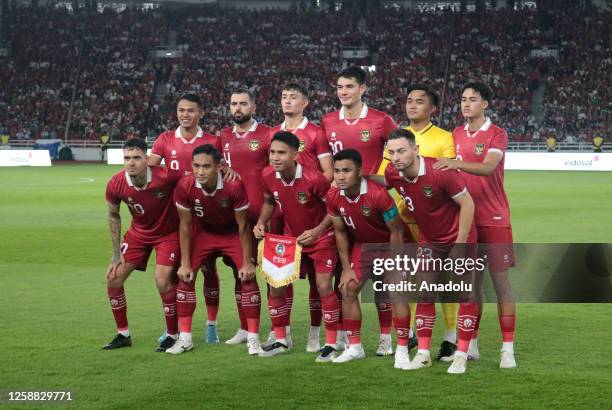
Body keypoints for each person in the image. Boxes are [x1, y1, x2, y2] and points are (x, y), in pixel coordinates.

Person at [434, 81, 517, 370]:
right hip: (466, 222)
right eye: (463, 98)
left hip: (494, 219)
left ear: (485, 104)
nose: (466, 104)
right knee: (471, 288)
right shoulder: (455, 134)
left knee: (501, 285)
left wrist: (454, 164)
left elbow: (487, 167)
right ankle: (472, 346)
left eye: (472, 99)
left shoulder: (497, 134)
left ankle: (508, 348)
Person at [381, 129, 479, 374]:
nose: (396, 157)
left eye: (402, 150)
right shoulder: (393, 172)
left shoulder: (441, 173)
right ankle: (423, 353)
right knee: (425, 293)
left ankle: (461, 355)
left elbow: (468, 203)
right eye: (391, 152)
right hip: (429, 241)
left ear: (416, 150)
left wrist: (460, 243)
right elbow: (383, 181)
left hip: (460, 238)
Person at [377, 84, 459, 361]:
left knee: (444, 285)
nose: (412, 106)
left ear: (432, 108)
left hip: (434, 224)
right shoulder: (396, 138)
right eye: (409, 101)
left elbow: (446, 178)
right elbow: (383, 177)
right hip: (403, 222)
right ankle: (410, 333)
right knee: (408, 283)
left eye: (420, 102)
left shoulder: (444, 137)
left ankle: (450, 337)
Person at [321, 66, 398, 354]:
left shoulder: (380, 120)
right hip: (342, 203)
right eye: (340, 87)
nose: (344, 92)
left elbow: (398, 150)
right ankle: (344, 337)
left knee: (384, 283)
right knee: (345, 275)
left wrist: (383, 179)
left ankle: (389, 337)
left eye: (350, 86)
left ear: (362, 89)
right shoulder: (328, 121)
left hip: (374, 203)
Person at [149, 93, 233, 345]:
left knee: (209, 269)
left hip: (205, 216)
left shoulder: (212, 141)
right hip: (174, 217)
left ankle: (211, 325)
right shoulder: (165, 139)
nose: (185, 114)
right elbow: (150, 169)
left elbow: (225, 171)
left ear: (201, 113)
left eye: (190, 110)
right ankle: (172, 328)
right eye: (181, 110)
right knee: (175, 273)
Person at [254, 132, 339, 362]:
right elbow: (270, 202)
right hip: (291, 240)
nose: (275, 157)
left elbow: (335, 209)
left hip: (322, 239)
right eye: (272, 152)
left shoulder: (315, 179)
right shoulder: (268, 175)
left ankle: (330, 343)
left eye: (281, 153)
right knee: (276, 286)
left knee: (323, 286)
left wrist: (317, 232)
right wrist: (261, 222)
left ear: (296, 155)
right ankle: (282, 340)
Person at [167, 144, 261, 355]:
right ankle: (185, 339)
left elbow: (243, 225)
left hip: (233, 234)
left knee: (247, 277)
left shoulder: (234, 185)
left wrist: (247, 261)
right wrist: (184, 262)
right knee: (185, 276)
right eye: (196, 166)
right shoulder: (185, 185)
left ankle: (253, 339)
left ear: (219, 166)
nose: (200, 171)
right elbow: (185, 225)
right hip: (205, 233)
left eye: (206, 166)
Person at [265, 82, 334, 352]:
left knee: (321, 282)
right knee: (278, 278)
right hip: (282, 218)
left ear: (305, 102)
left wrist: (305, 187)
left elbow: (328, 172)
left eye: (293, 97)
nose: (287, 101)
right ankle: (282, 334)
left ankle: (318, 335)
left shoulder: (315, 133)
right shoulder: (274, 132)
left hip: (311, 210)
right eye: (284, 96)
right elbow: (268, 178)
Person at [326, 149, 405, 363]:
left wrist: (396, 265)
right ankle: (355, 347)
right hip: (363, 247)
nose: (341, 176)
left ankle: (393, 343)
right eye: (337, 171)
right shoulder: (333, 196)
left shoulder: (378, 194)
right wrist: (346, 268)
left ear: (360, 171)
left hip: (390, 245)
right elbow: (340, 232)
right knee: (348, 288)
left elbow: (397, 231)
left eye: (347, 171)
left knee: (392, 291)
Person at [103, 138, 181, 353]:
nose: (131, 163)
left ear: (147, 160)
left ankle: (173, 334)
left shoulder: (165, 175)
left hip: (168, 234)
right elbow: (113, 216)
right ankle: (123, 334)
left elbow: (192, 180)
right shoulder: (116, 183)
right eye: (127, 158)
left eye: (137, 158)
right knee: (113, 278)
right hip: (138, 235)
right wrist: (116, 253)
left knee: (163, 280)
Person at [219, 88, 270, 345]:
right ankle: (244, 327)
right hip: (236, 219)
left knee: (273, 275)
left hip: (265, 216)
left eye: (242, 104)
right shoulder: (224, 136)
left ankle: (278, 330)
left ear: (253, 106)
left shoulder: (267, 134)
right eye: (233, 104)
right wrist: (223, 167)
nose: (237, 108)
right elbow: (215, 165)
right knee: (240, 272)